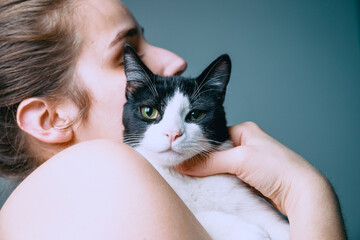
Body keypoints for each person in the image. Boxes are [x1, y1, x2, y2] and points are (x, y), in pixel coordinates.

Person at [0, 0, 347, 239]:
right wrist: (308, 193)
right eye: (126, 55)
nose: (176, 61)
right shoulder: (101, 165)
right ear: (50, 118)